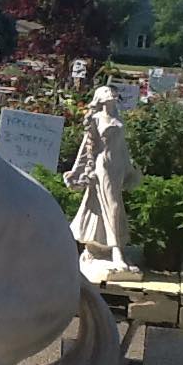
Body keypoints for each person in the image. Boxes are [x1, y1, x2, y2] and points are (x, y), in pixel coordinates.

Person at [63, 85, 141, 271]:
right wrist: (77, 171)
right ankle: (116, 251)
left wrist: (130, 168)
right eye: (106, 91)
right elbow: (87, 148)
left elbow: (122, 147)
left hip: (118, 165)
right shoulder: (96, 119)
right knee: (112, 205)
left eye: (112, 91)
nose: (111, 93)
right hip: (103, 166)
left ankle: (98, 248)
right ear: (99, 97)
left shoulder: (117, 118)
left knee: (108, 205)